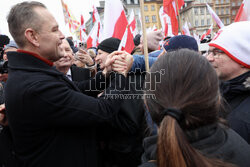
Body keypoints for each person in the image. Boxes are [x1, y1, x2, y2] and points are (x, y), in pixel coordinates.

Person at [5, 2, 133, 167]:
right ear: (33, 37)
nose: (62, 36)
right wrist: (122, 73)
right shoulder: (36, 86)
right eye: (54, 29)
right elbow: (103, 110)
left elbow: (77, 90)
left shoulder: (33, 73)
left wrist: (106, 73)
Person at [140, 49, 250, 167]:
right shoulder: (241, 148)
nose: (210, 57)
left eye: (217, 53)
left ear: (147, 103)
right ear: (218, 100)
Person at [95, 37, 146, 167]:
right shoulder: (114, 77)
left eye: (100, 53)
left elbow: (130, 123)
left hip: (126, 155)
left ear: (115, 54)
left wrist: (101, 106)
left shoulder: (129, 79)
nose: (96, 58)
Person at [206, 21, 250, 143]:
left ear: (242, 59)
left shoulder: (244, 117)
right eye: (209, 52)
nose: (209, 58)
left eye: (216, 53)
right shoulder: (214, 93)